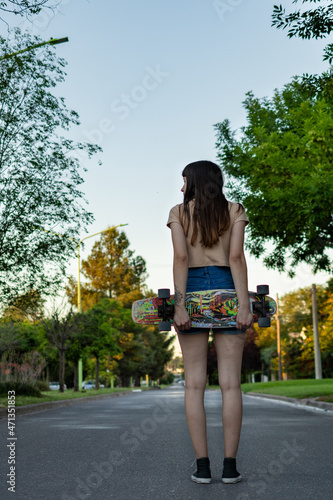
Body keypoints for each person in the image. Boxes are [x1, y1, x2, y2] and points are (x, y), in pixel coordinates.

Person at [167, 160, 253, 485]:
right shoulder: (235, 210)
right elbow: (235, 258)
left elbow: (181, 258)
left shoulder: (178, 212)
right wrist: (243, 305)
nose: (181, 187)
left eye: (184, 180)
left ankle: (203, 468)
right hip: (229, 291)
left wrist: (180, 306)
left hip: (192, 293)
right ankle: (229, 468)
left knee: (194, 385)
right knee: (231, 384)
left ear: (193, 182)